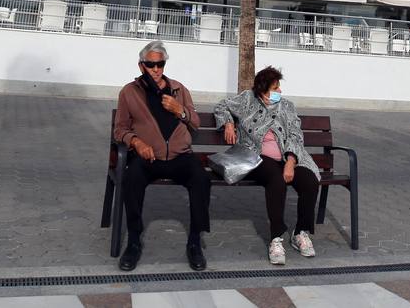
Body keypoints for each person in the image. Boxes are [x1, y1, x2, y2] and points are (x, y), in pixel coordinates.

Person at [113, 40, 210, 272]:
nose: (156, 70)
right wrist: (135, 142)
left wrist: (181, 110)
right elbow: (120, 130)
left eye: (160, 64)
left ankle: (195, 241)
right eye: (151, 65)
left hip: (180, 156)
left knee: (201, 180)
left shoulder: (179, 89)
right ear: (141, 66)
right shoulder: (129, 92)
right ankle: (134, 241)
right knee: (131, 180)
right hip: (148, 157)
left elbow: (195, 123)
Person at [214, 67, 320, 265]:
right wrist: (228, 122)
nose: (280, 91)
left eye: (279, 87)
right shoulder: (247, 100)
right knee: (276, 180)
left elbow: (296, 135)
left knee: (310, 181)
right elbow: (222, 106)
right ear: (262, 91)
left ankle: (300, 232)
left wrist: (290, 161)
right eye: (275, 87)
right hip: (258, 157)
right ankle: (276, 237)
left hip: (290, 157)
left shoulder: (287, 106)